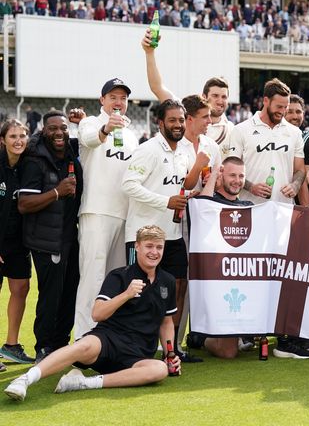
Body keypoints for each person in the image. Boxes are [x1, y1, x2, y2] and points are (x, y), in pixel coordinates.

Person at [4, 225, 180, 402]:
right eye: (149, 246)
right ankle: (25, 380)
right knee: (82, 346)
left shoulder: (168, 281)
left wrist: (170, 355)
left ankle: (84, 383)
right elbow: (97, 314)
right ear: (138, 246)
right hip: (108, 340)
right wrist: (126, 294)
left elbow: (166, 322)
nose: (154, 252)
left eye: (159, 247)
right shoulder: (119, 275)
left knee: (159, 370)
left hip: (139, 353)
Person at [122, 99, 195, 361]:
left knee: (177, 289)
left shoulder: (183, 153)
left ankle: (171, 349)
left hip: (172, 236)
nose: (178, 125)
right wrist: (166, 202)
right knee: (137, 291)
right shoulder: (149, 150)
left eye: (181, 120)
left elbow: (178, 189)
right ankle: (134, 348)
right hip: (142, 237)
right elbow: (129, 185)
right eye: (173, 120)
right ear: (160, 122)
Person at [73, 79, 139, 339]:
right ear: (102, 100)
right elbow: (89, 140)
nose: (118, 102)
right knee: (92, 278)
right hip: (97, 211)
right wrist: (105, 128)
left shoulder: (132, 135)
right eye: (113, 96)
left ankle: (109, 339)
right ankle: (83, 339)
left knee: (116, 281)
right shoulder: (90, 122)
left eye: (122, 98)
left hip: (125, 215)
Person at [18, 111, 83, 363]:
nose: (59, 132)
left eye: (63, 128)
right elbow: (24, 204)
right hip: (46, 241)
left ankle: (60, 343)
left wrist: (84, 121)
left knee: (70, 293)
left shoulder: (70, 153)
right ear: (44, 131)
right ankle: (43, 347)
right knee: (50, 295)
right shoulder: (35, 160)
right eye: (53, 128)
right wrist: (57, 192)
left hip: (70, 237)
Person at [186, 157, 258, 359]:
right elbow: (203, 207)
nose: (237, 180)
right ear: (221, 176)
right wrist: (214, 175)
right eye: (232, 175)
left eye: (241, 176)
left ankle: (246, 334)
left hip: (242, 275)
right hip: (216, 280)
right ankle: (199, 338)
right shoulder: (207, 201)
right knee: (229, 353)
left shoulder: (248, 205)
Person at [142, 29, 234, 158]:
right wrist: (149, 52)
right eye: (215, 96)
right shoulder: (184, 111)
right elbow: (157, 87)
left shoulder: (232, 130)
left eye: (224, 97)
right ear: (204, 97)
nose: (220, 101)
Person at [230, 78, 305, 205]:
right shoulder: (241, 130)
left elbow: (300, 170)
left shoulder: (295, 132)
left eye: (285, 107)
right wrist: (251, 187)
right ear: (265, 101)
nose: (282, 111)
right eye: (278, 107)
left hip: (284, 209)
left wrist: (295, 185)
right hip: (250, 207)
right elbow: (231, 170)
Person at [0, 120, 34, 367]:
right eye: (13, 136)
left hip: (18, 242)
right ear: (3, 140)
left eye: (23, 135)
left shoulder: (29, 165)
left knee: (21, 288)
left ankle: (11, 345)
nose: (18, 140)